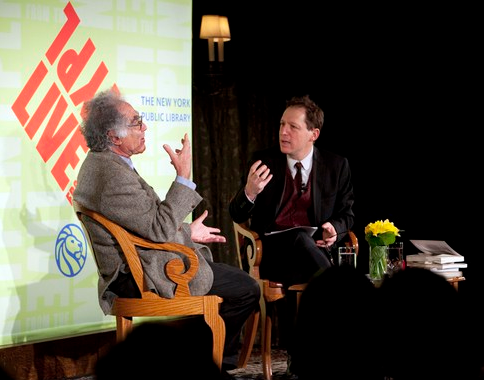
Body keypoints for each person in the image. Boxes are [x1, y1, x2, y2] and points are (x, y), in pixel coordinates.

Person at [73, 88, 260, 379]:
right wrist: (183, 177)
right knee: (246, 288)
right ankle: (213, 368)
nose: (144, 127)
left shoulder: (105, 165)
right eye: (136, 122)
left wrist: (187, 231)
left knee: (232, 281)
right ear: (114, 136)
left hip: (147, 262)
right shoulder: (110, 175)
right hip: (139, 276)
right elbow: (158, 228)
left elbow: (143, 224)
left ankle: (204, 360)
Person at [229, 94, 355, 376]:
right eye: (282, 124)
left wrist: (335, 227)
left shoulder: (337, 166)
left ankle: (300, 358)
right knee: (299, 242)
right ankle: (345, 298)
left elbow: (347, 214)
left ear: (314, 134)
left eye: (293, 127)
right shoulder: (263, 161)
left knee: (305, 251)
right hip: (274, 253)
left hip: (315, 253)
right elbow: (236, 215)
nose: (283, 132)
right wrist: (249, 192)